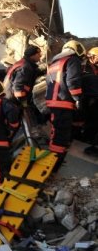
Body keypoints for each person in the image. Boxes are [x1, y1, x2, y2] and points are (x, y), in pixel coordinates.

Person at [46, 40, 85, 170]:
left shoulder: (55, 62)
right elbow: (73, 81)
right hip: (63, 102)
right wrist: (77, 98)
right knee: (61, 135)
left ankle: (52, 160)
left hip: (53, 102)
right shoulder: (73, 60)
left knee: (56, 132)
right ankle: (55, 164)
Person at [4, 44, 42, 123]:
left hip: (11, 97)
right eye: (38, 53)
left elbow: (33, 72)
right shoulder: (25, 67)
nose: (40, 55)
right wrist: (23, 102)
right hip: (13, 99)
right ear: (32, 55)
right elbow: (18, 87)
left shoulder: (25, 63)